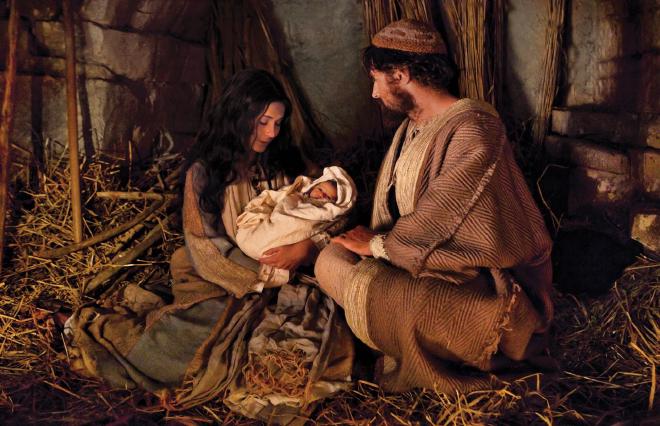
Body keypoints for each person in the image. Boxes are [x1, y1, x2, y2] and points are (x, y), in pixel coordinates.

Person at [64, 69, 353, 421]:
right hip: (220, 278)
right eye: (263, 122)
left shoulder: (292, 167)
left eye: (278, 123)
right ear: (239, 116)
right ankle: (99, 327)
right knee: (177, 351)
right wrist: (264, 274)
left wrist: (307, 249)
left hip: (292, 276)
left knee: (312, 342)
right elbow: (206, 246)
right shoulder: (204, 174)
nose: (272, 133)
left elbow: (336, 213)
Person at [315, 19, 554, 393]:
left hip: (474, 276)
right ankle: (389, 306)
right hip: (415, 257)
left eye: (377, 80)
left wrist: (377, 246)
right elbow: (396, 210)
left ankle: (453, 337)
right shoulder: (410, 126)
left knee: (403, 299)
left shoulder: (475, 127)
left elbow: (443, 216)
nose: (375, 94)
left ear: (402, 74)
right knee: (330, 259)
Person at [235, 166, 357, 287]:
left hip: (288, 244)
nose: (321, 196)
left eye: (328, 197)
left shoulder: (325, 214)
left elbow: (323, 227)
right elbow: (275, 199)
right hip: (270, 225)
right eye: (320, 189)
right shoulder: (296, 195)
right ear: (313, 185)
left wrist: (305, 247)